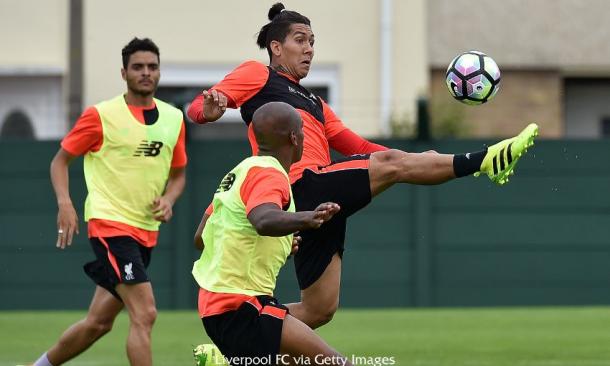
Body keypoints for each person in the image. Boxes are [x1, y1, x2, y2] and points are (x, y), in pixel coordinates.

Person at [187, 3, 538, 330]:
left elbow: (361, 147)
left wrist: (418, 162)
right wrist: (211, 110)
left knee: (318, 309)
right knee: (393, 164)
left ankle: (235, 337)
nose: (309, 48)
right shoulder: (257, 74)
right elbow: (197, 110)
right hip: (300, 184)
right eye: (300, 40)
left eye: (313, 41)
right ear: (276, 48)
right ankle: (485, 162)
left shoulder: (316, 103)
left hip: (321, 204)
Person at [31, 37, 187, 366]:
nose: (146, 73)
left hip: (146, 232)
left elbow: (179, 175)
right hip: (110, 226)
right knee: (145, 313)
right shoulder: (101, 115)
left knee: (98, 324)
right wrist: (65, 203)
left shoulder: (174, 119)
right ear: (123, 72)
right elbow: (59, 161)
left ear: (160, 72)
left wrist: (170, 199)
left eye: (152, 67)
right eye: (138, 67)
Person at [192, 101, 351, 366]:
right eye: (303, 131)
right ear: (294, 137)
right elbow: (262, 220)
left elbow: (201, 237)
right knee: (336, 363)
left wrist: (275, 246)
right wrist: (309, 218)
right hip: (240, 306)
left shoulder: (240, 172)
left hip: (217, 304)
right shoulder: (271, 174)